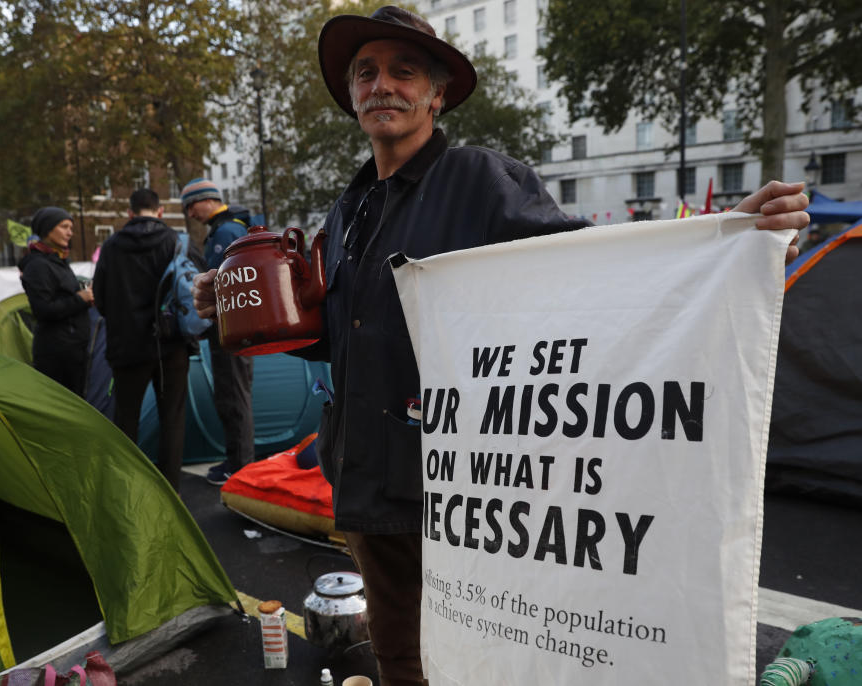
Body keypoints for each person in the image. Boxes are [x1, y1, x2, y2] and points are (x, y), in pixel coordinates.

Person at [192, 7, 810, 684]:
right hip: (366, 481)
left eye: (403, 71)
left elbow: (592, 276)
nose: (381, 86)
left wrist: (722, 245)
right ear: (350, 96)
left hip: (466, 494)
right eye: (365, 73)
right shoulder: (347, 210)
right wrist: (241, 309)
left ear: (437, 94)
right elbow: (346, 340)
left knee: (492, 658)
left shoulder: (480, 179)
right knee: (399, 656)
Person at [93, 188, 191, 492]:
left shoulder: (111, 246)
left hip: (126, 348)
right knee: (172, 420)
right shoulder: (175, 242)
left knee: (126, 422)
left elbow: (100, 297)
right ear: (160, 211)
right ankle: (170, 490)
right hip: (170, 346)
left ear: (130, 213)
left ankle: (126, 488)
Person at [180, 177, 255, 485]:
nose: (189, 213)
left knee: (234, 398)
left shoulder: (226, 231)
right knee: (232, 396)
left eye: (190, 205)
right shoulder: (224, 228)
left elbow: (226, 283)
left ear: (206, 199)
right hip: (232, 330)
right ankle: (237, 461)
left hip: (232, 331)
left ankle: (240, 469)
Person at [19, 206, 94, 396]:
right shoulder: (38, 266)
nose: (70, 232)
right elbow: (43, 309)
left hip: (74, 350)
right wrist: (80, 299)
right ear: (48, 229)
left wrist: (86, 298)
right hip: (57, 354)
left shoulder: (59, 261)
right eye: (64, 226)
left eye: (71, 227)